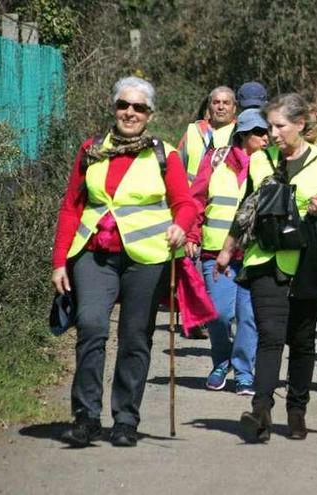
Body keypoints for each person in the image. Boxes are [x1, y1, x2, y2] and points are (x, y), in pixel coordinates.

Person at [51, 76, 196, 447]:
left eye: (139, 107)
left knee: (134, 337)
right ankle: (85, 418)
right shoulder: (91, 150)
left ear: (150, 114)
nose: (130, 113)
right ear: (113, 107)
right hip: (93, 254)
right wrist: (59, 262)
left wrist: (181, 227)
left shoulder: (164, 154)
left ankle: (126, 420)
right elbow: (71, 208)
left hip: (146, 258)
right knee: (91, 326)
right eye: (124, 105)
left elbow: (185, 204)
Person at [215, 93, 317, 442]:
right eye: (268, 126)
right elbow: (246, 209)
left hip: (308, 263)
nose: (271, 133)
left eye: (279, 126)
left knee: (303, 341)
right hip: (265, 260)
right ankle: (261, 410)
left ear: (300, 124)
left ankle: (297, 410)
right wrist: (227, 250)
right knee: (270, 336)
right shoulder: (260, 161)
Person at [186, 108, 272, 396]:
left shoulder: (271, 162)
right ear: (244, 135)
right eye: (259, 132)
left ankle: (245, 371)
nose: (265, 137)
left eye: (267, 131)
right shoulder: (217, 159)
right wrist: (192, 233)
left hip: (254, 253)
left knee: (248, 317)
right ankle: (221, 362)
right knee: (220, 314)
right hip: (216, 251)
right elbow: (196, 199)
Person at [178, 86, 238, 184]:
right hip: (193, 195)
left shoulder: (239, 133)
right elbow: (178, 167)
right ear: (209, 106)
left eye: (226, 103)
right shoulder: (194, 131)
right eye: (216, 102)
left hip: (223, 197)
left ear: (234, 108)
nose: (221, 107)